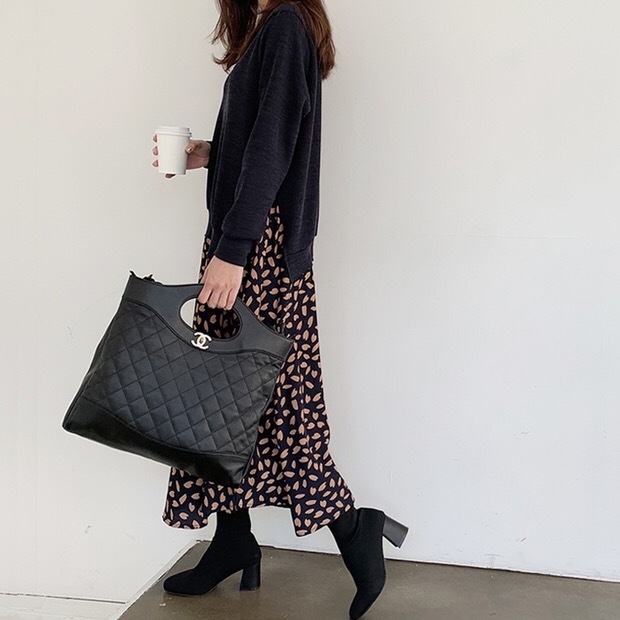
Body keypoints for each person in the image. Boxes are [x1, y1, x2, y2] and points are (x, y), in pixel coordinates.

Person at [151, 1, 408, 617]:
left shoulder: (286, 24)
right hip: (245, 243)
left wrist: (234, 251)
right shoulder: (269, 27)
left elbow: (273, 149)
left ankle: (355, 527)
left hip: (257, 248)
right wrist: (207, 152)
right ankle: (233, 538)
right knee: (221, 397)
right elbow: (258, 141)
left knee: (281, 402)